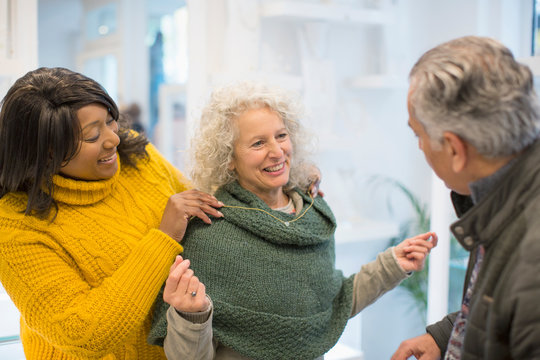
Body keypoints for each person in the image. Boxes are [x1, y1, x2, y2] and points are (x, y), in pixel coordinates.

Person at [149, 81, 438, 360]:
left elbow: (330, 306)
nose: (277, 152)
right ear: (229, 158)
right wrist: (191, 317)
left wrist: (393, 264)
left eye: (281, 136)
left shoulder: (312, 215)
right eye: (258, 143)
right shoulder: (209, 230)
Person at [0, 67, 223, 359]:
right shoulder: (15, 225)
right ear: (48, 151)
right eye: (93, 135)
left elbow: (207, 208)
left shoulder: (137, 157)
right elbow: (83, 334)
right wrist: (163, 237)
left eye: (109, 121)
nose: (113, 140)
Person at [391, 36, 540, 360]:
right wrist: (448, 336)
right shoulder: (504, 199)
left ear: (456, 150)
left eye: (419, 135)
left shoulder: (532, 254)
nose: (420, 147)